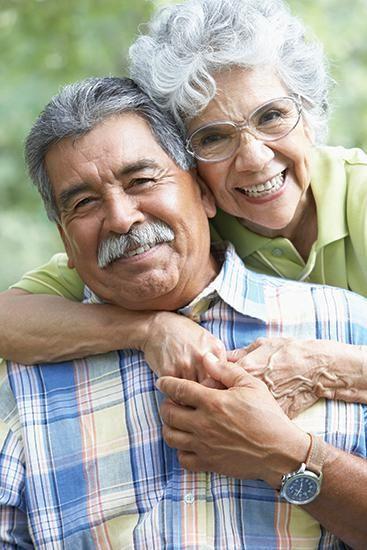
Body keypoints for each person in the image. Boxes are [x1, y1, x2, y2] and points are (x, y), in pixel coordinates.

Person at [1, 75, 367, 549]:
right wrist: (148, 330)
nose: (120, 217)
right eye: (85, 202)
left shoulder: (344, 329)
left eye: (143, 181)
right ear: (65, 243)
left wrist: (290, 458)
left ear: (205, 195)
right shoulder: (21, 384)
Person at [1, 0, 367, 412]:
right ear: (188, 167)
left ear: (310, 112)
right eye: (214, 138)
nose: (254, 158)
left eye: (271, 116)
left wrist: (322, 364)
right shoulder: (178, 232)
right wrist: (149, 328)